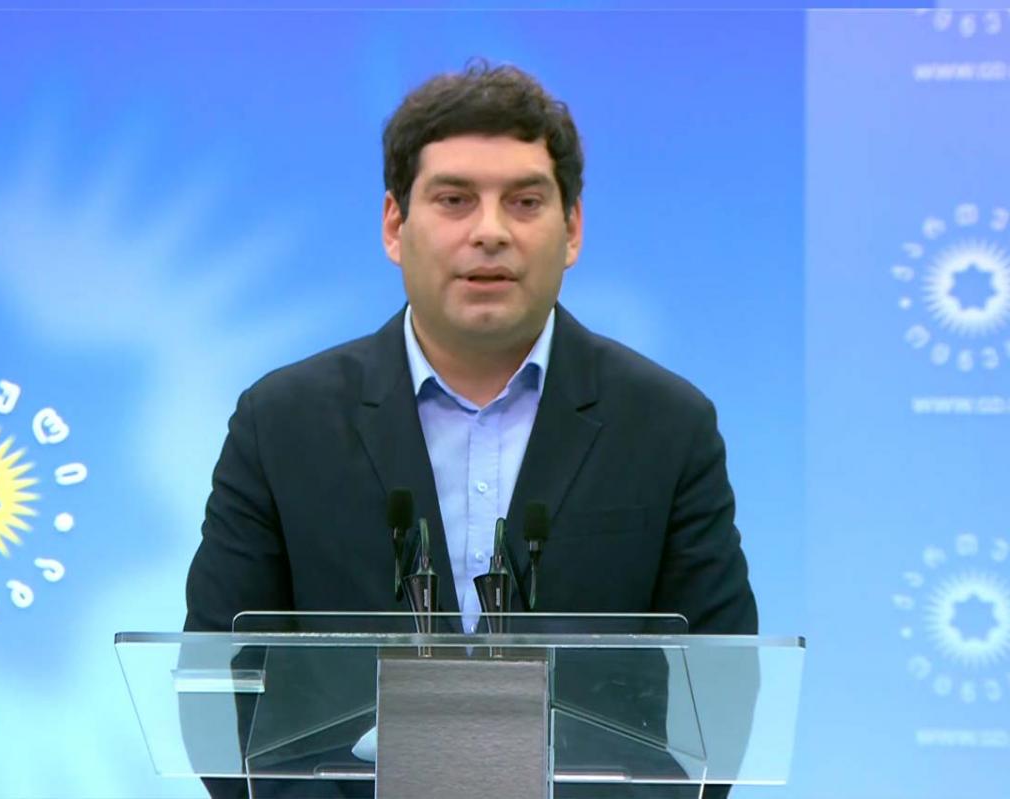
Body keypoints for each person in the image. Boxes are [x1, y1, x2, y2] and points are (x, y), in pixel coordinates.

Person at [184, 60, 757, 798]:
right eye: (454, 200)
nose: (490, 232)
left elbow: (721, 693)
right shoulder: (282, 423)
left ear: (572, 229)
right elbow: (217, 685)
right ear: (395, 225)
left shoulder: (666, 426)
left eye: (525, 201)